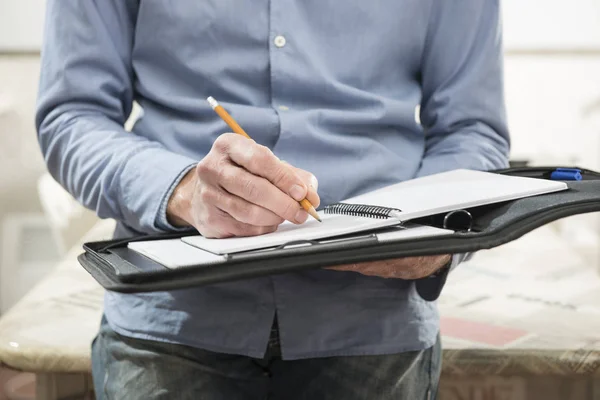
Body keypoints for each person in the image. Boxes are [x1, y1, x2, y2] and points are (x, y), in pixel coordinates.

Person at [35, 1, 510, 399]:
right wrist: (184, 192)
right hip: (174, 317)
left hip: (375, 326)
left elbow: (472, 129)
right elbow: (72, 116)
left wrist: (438, 235)